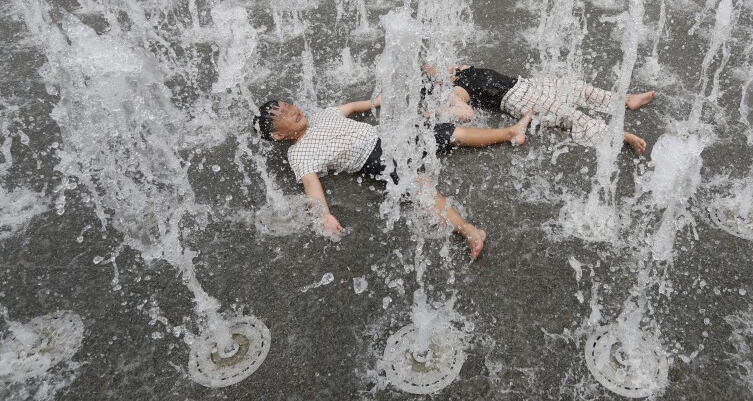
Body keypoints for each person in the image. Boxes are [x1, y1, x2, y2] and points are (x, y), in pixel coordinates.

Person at [254, 96, 532, 260]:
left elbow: (349, 108)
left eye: (289, 106)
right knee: (419, 187)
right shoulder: (299, 153)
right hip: (373, 159)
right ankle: (469, 230)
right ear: (278, 135)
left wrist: (373, 102)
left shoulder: (320, 116)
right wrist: (323, 214)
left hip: (387, 136)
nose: (293, 111)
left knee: (449, 132)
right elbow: (311, 183)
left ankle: (508, 132)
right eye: (285, 116)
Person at [428, 65, 656, 155]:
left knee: (577, 88)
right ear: (435, 81)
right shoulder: (456, 90)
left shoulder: (463, 70)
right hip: (514, 98)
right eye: (432, 69)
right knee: (567, 115)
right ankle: (619, 137)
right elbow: (467, 114)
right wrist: (435, 111)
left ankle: (625, 100)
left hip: (524, 83)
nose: (439, 65)